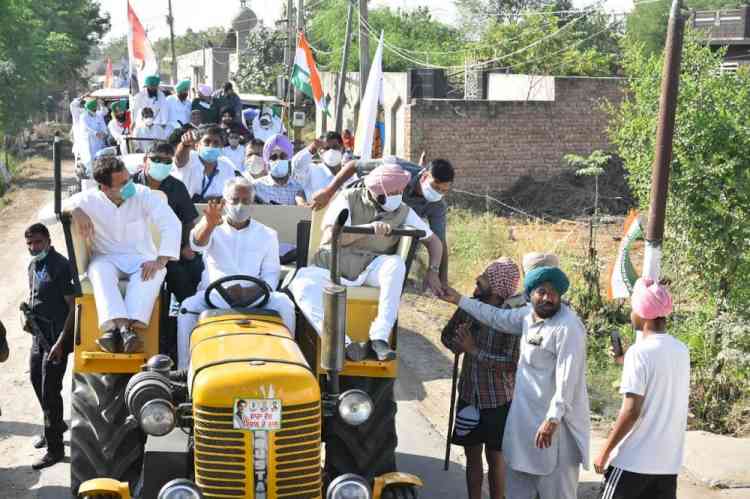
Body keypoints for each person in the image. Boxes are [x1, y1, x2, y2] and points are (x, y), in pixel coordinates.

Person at [440, 265, 591, 499]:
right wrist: (459, 299)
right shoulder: (526, 316)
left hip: (556, 431)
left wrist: (552, 419)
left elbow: (567, 379)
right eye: (541, 291)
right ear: (530, 294)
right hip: (525, 425)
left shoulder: (568, 327)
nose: (548, 297)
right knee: (516, 490)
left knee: (556, 493)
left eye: (553, 292)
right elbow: (496, 317)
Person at [289, 162, 445, 362]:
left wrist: (433, 270)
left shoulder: (403, 210)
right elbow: (331, 236)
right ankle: (342, 342)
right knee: (301, 286)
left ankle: (379, 337)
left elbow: (434, 242)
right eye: (394, 191)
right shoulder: (347, 198)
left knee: (395, 265)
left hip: (368, 267)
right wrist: (368, 228)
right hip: (331, 267)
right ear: (378, 193)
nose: (399, 194)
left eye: (401, 190)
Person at [60, 156, 180, 353]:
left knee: (154, 274)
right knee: (97, 271)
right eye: (123, 183)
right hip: (106, 258)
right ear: (104, 188)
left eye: (129, 179)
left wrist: (160, 260)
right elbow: (51, 212)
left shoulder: (142, 194)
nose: (130, 185)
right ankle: (126, 331)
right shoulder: (89, 199)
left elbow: (170, 223)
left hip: (142, 258)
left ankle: (114, 332)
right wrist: (75, 210)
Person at [177, 178, 296, 369]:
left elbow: (271, 273)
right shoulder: (211, 225)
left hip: (256, 296)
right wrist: (209, 224)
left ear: (252, 203)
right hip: (215, 296)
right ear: (225, 202)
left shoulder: (267, 234)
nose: (241, 205)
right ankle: (185, 370)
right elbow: (196, 245)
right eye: (235, 200)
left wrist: (255, 292)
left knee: (285, 304)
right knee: (186, 308)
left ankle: (288, 365)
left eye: (246, 201)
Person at [594, 279, 689, 499]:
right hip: (667, 465)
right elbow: (659, 375)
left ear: (643, 313)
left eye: (633, 308)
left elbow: (631, 411)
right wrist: (624, 360)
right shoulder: (681, 350)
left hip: (633, 462)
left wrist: (605, 451)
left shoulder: (639, 353)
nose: (631, 313)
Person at [441, 258, 523, 499]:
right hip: (469, 394)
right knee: (471, 456)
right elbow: (446, 336)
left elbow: (510, 365)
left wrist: (473, 349)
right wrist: (456, 343)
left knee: (495, 460)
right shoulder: (471, 305)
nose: (479, 278)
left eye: (487, 276)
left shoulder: (511, 317)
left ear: (499, 285)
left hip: (498, 400)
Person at [312, 157, 455, 285]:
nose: (438, 193)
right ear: (424, 176)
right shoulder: (394, 168)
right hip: (360, 209)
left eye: (444, 191)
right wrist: (329, 192)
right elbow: (354, 165)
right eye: (436, 187)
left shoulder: (431, 206)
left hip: (381, 239)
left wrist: (439, 277)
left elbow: (437, 241)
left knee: (395, 263)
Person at [23, 223, 75, 469]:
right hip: (38, 336)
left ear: (48, 240)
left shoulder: (61, 266)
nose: (34, 248)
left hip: (56, 340)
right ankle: (53, 426)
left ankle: (54, 449)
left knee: (49, 390)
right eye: (30, 244)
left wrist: (61, 342)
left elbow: (73, 308)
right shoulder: (33, 265)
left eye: (38, 243)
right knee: (36, 380)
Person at [133, 143, 202, 303]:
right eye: (156, 159)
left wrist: (187, 247)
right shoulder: (129, 183)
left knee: (190, 272)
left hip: (169, 251)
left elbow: (188, 221)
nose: (161, 164)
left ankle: (189, 313)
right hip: (134, 249)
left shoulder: (177, 187)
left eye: (166, 162)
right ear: (145, 159)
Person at [173, 126, 238, 203]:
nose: (211, 146)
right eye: (207, 141)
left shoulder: (228, 167)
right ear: (197, 145)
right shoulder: (189, 158)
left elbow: (231, 195)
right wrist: (185, 145)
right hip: (186, 212)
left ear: (221, 147)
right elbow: (179, 160)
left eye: (216, 143)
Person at [253, 134, 306, 206]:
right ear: (267, 161)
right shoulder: (257, 187)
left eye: (283, 156)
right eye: (273, 157)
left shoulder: (298, 187)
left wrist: (302, 204)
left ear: (289, 159)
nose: (278, 160)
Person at [291, 132, 345, 201]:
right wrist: (312, 149)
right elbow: (297, 165)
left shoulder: (351, 174)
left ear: (342, 149)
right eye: (326, 148)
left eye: (335, 147)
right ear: (319, 152)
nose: (331, 151)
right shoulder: (311, 171)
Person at [78, 99, 108, 171]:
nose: (94, 111)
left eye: (95, 109)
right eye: (93, 110)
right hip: (89, 142)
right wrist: (95, 133)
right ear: (88, 109)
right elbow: (86, 128)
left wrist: (104, 132)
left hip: (99, 141)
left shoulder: (98, 115)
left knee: (100, 159)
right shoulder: (83, 117)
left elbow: (103, 124)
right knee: (89, 160)